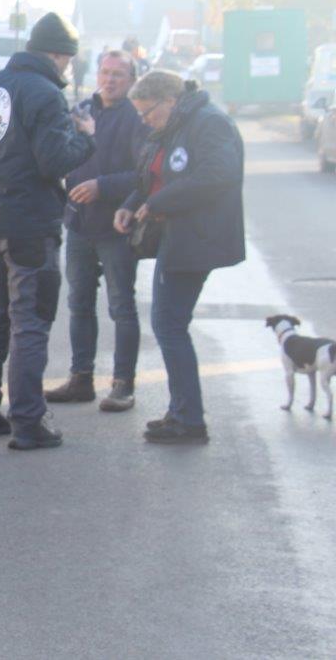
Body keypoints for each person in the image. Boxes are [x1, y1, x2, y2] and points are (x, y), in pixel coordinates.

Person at [0, 11, 96, 450]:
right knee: (31, 321)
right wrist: (85, 136)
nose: (69, 70)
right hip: (33, 226)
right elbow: (55, 160)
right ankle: (28, 421)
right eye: (69, 61)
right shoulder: (45, 94)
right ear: (59, 56)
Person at [114, 71, 244, 445]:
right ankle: (181, 412)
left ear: (169, 100)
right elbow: (151, 177)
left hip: (196, 238)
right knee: (168, 323)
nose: (144, 121)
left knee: (169, 324)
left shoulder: (210, 123)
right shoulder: (179, 123)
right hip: (179, 236)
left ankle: (188, 420)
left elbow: (217, 176)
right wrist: (132, 203)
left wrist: (157, 203)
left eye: (148, 113)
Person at [46, 50, 148, 411]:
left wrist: (102, 186)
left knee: (121, 306)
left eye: (118, 74)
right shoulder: (81, 110)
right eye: (105, 72)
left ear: (132, 79)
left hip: (117, 225)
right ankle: (81, 379)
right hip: (78, 224)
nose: (110, 80)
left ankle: (123, 384)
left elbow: (144, 174)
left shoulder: (139, 117)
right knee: (79, 304)